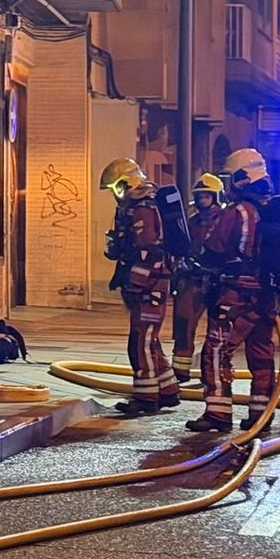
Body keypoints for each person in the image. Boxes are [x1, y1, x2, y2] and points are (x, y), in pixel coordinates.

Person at [189, 148, 280, 433]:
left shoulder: (238, 212)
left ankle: (218, 413)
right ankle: (261, 414)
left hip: (235, 294)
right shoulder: (272, 208)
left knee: (217, 350)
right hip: (266, 295)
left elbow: (216, 248)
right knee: (261, 353)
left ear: (241, 178)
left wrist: (198, 261)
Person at [99, 158, 183, 416]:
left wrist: (135, 283)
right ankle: (168, 390)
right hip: (145, 284)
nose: (115, 194)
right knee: (149, 339)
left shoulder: (144, 209)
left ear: (128, 183)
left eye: (117, 187)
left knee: (142, 341)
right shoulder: (132, 208)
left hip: (151, 284)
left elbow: (150, 252)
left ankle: (146, 397)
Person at [170, 173, 225, 386]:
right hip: (193, 280)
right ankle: (180, 371)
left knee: (217, 330)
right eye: (199, 196)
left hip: (217, 282)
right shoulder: (192, 222)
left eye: (207, 196)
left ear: (216, 197)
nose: (202, 200)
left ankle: (210, 371)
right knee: (184, 325)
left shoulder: (225, 220)